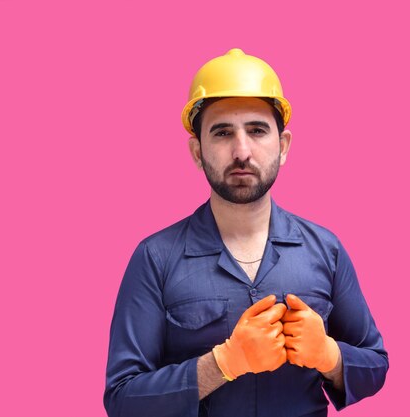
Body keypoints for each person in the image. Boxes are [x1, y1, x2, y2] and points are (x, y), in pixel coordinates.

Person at [103, 48, 388, 417]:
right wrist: (222, 364)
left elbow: (376, 364)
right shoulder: (154, 258)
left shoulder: (326, 250)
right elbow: (122, 398)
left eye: (257, 130)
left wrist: (331, 357)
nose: (241, 151)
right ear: (197, 151)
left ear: (282, 146)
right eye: (222, 133)